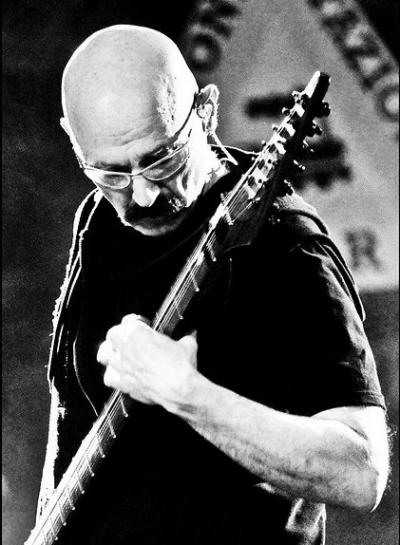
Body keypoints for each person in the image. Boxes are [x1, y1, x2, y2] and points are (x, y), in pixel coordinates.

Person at [36, 24, 389, 545]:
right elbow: (69, 411)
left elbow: (361, 473)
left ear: (205, 111)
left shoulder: (285, 246)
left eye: (161, 159)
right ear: (74, 140)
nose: (143, 195)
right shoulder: (99, 219)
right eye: (111, 173)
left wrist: (190, 396)